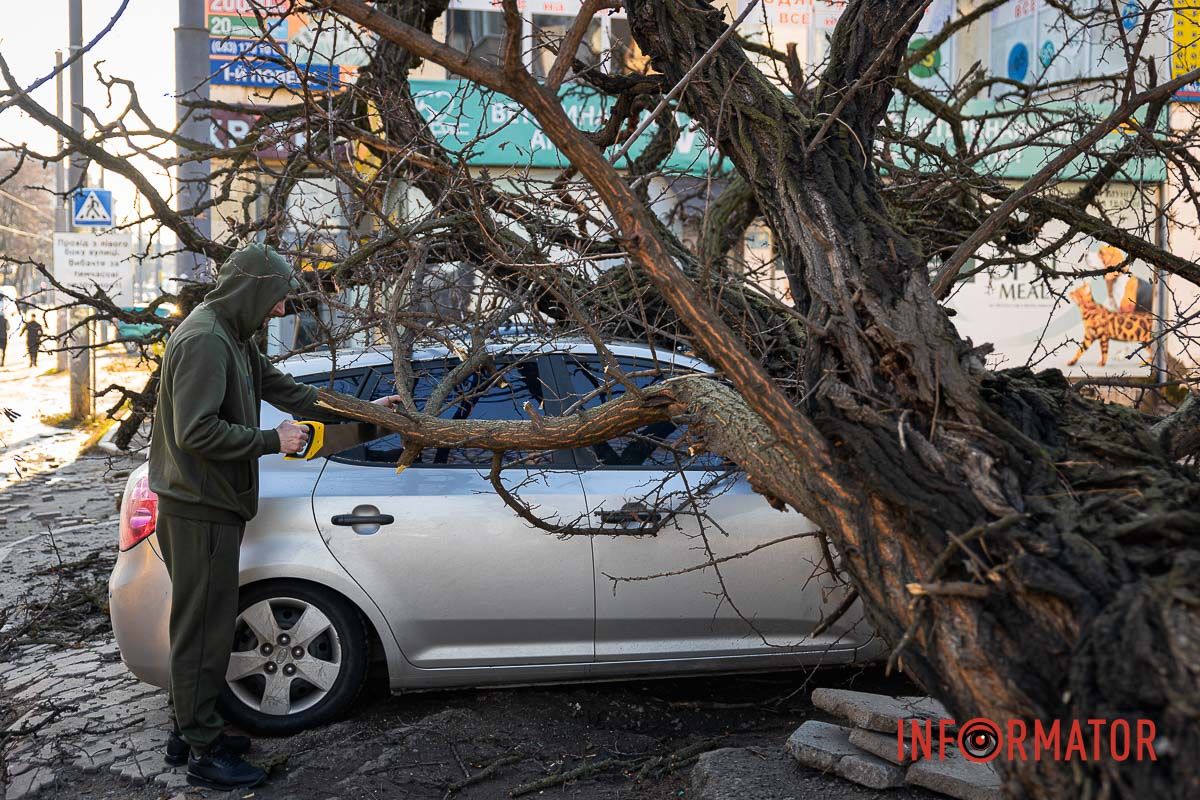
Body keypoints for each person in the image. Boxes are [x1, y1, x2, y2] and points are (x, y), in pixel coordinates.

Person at [148, 243, 400, 790]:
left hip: (209, 504)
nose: (282, 312)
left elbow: (288, 391)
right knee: (203, 631)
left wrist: (366, 413)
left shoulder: (233, 335)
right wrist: (272, 439)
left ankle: (189, 730)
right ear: (252, 291)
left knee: (203, 626)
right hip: (199, 508)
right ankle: (203, 752)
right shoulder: (205, 341)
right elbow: (196, 432)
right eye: (278, 299)